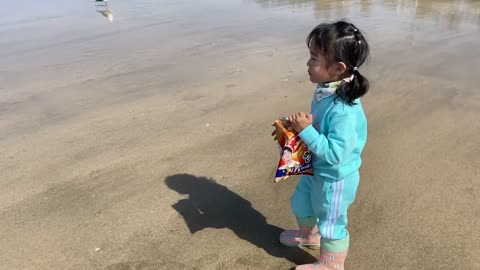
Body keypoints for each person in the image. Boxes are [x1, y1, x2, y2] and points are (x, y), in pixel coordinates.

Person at [279, 21, 370, 270]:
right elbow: (321, 129)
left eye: (313, 58)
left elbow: (336, 153)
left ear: (338, 68)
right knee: (301, 203)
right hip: (315, 168)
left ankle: (331, 265)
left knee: (331, 221)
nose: (308, 64)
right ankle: (311, 237)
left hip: (334, 178)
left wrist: (306, 131)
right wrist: (303, 128)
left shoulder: (344, 110)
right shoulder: (326, 89)